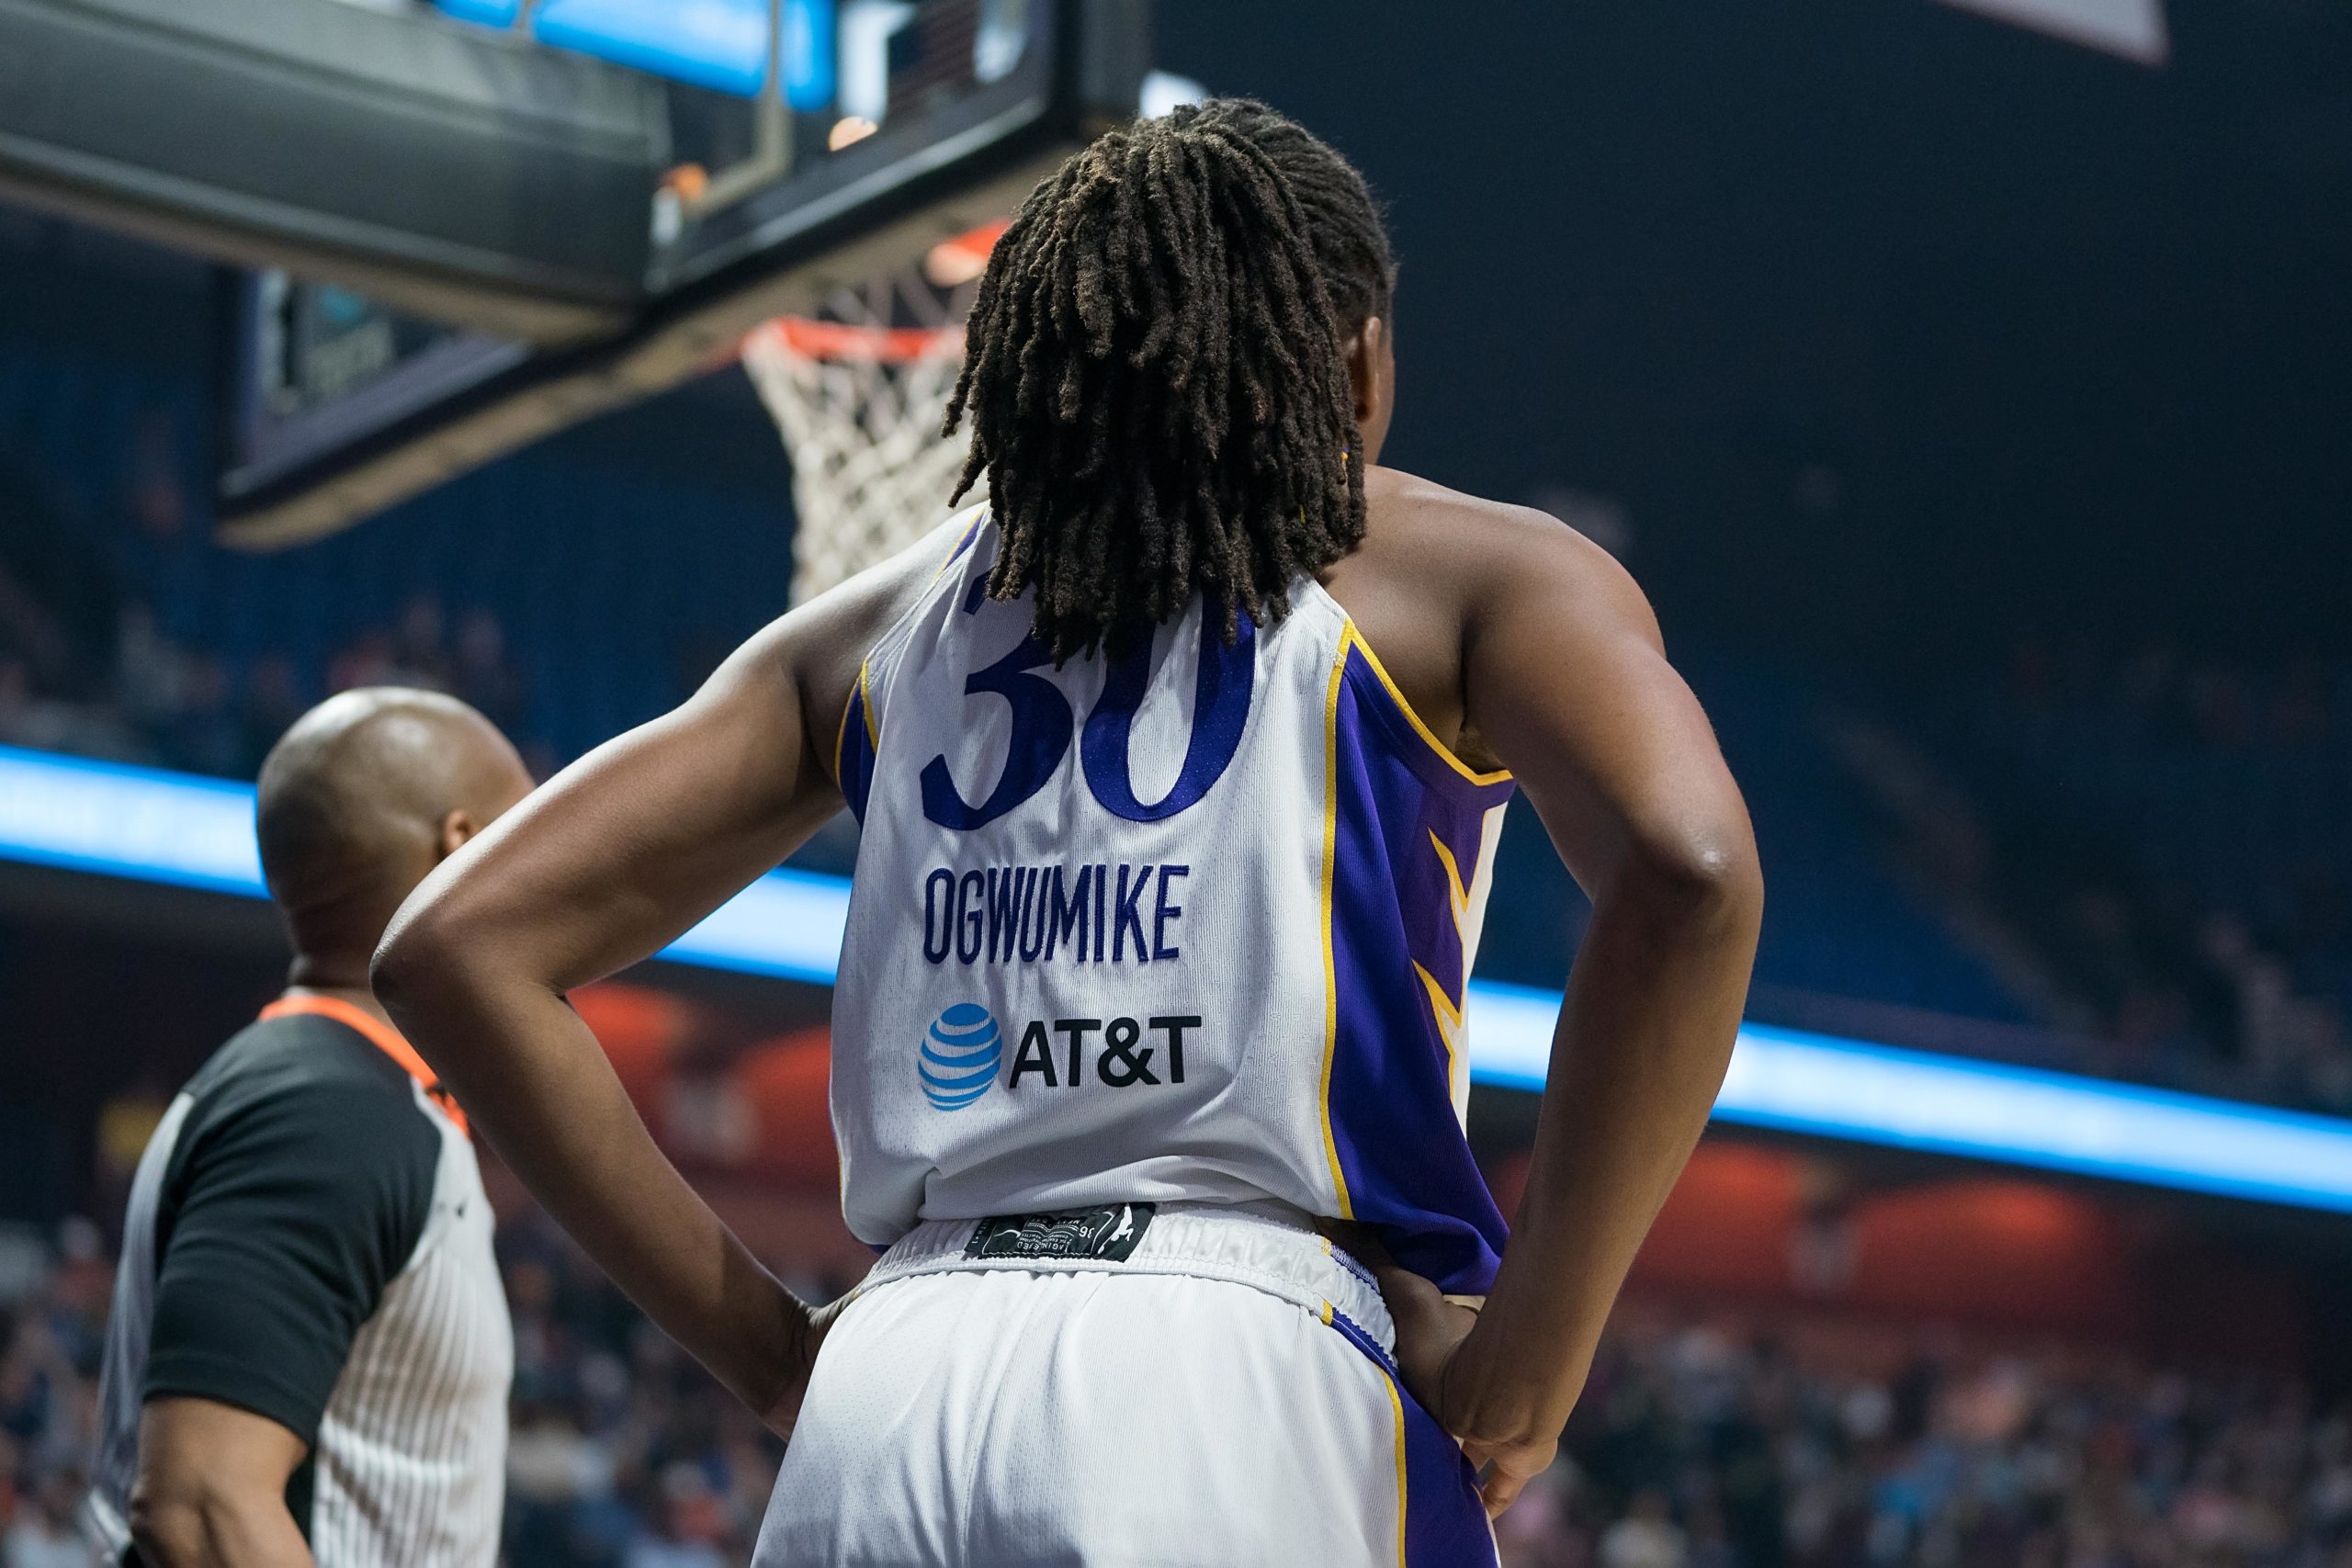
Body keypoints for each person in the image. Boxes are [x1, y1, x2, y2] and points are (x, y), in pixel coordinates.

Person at [375, 98, 1762, 1565]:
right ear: (1358, 362)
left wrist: (778, 1355)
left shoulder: (871, 626)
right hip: (1248, 1366)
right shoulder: (1473, 570)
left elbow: (456, 940)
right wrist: (1537, 1351)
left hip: (890, 1390)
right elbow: (1693, 872)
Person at [83, 690, 531, 1568]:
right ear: (464, 846)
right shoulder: (327, 1113)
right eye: (534, 827)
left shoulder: (343, 1094)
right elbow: (202, 1510)